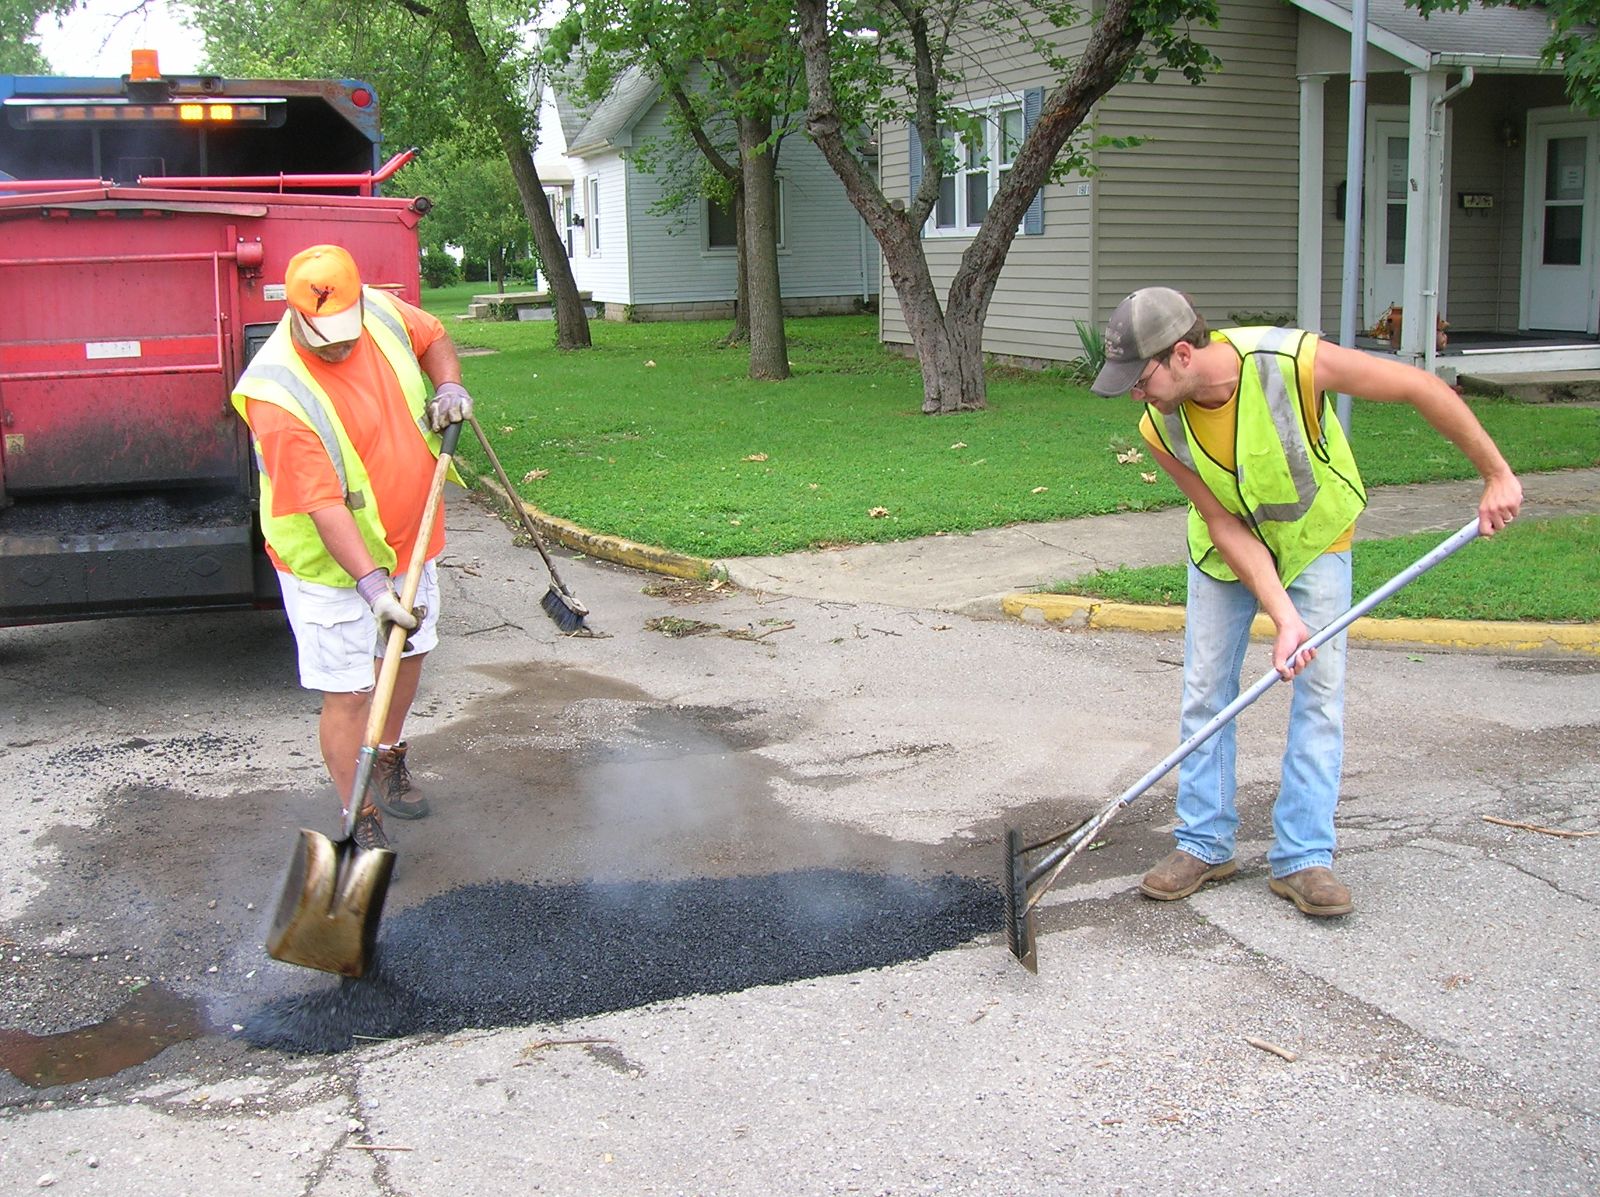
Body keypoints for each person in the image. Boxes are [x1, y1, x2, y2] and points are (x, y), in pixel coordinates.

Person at [1091, 288, 1522, 917]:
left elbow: (1421, 389)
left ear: (1183, 354)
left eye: (1141, 377)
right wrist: (1283, 615)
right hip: (1227, 553)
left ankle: (1303, 858)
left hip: (1315, 539)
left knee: (1317, 692)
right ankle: (1205, 842)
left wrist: (1496, 475)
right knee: (1207, 690)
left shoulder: (1291, 361)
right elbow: (1221, 521)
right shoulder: (1159, 423)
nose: (1136, 393)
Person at [231, 244, 474, 851]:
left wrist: (447, 385)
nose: (341, 347)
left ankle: (387, 756)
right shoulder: (277, 392)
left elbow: (435, 333)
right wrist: (374, 588)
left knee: (410, 652)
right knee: (350, 690)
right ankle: (358, 808)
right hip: (331, 570)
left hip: (412, 542)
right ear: (297, 316)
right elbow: (323, 507)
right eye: (328, 339)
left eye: (348, 333)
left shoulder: (380, 312)